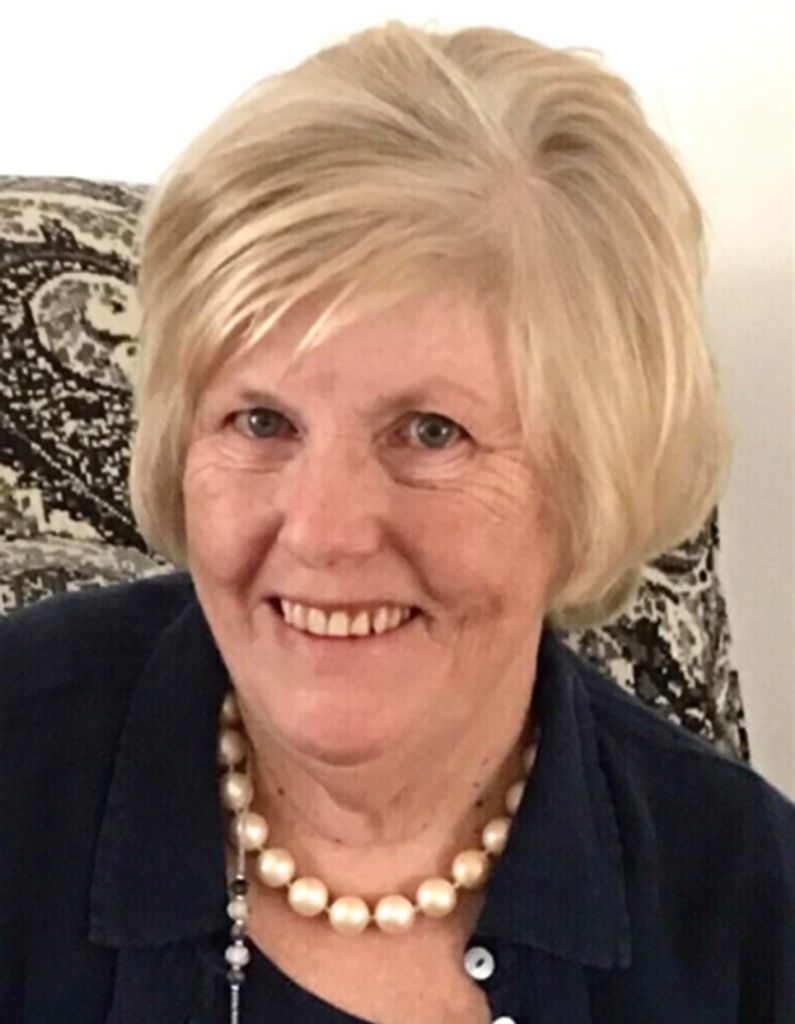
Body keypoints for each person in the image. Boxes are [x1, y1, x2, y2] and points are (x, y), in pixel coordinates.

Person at [0, 19, 792, 1024]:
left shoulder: (746, 916)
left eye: (430, 432)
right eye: (261, 421)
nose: (322, 532)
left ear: (587, 475)